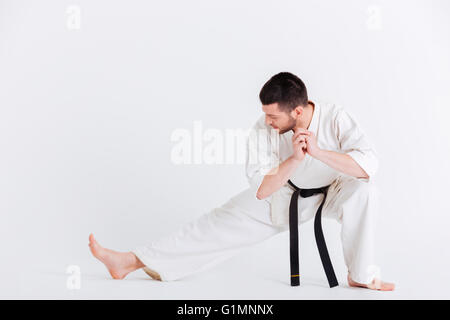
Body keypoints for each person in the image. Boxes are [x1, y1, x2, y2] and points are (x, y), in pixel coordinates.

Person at [89, 72, 395, 291]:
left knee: (365, 191)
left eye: (273, 116)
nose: (267, 121)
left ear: (298, 111)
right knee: (213, 225)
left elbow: (369, 164)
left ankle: (360, 275)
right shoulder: (263, 130)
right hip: (284, 193)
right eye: (265, 114)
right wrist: (294, 160)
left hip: (334, 190)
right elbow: (261, 189)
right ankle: (129, 262)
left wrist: (317, 152)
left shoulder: (335, 117)